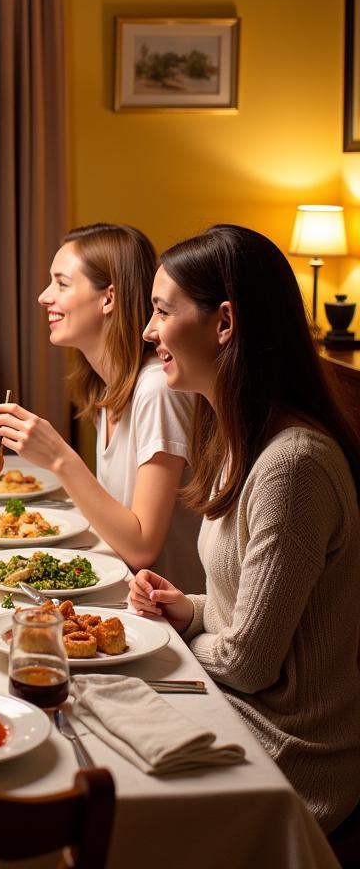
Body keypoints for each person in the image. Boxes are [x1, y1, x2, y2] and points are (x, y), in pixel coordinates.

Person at [127, 224, 360, 833]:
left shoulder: (293, 464)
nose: (149, 332)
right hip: (237, 711)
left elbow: (251, 661)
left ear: (224, 323)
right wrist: (190, 611)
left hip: (291, 764)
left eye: (161, 311)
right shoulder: (240, 441)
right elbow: (257, 612)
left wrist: (175, 641)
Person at [0, 224, 204, 590]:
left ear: (108, 298)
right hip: (122, 591)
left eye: (61, 283)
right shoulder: (110, 386)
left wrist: (60, 459)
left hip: (168, 616)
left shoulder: (155, 390)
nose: (43, 296)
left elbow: (141, 547)